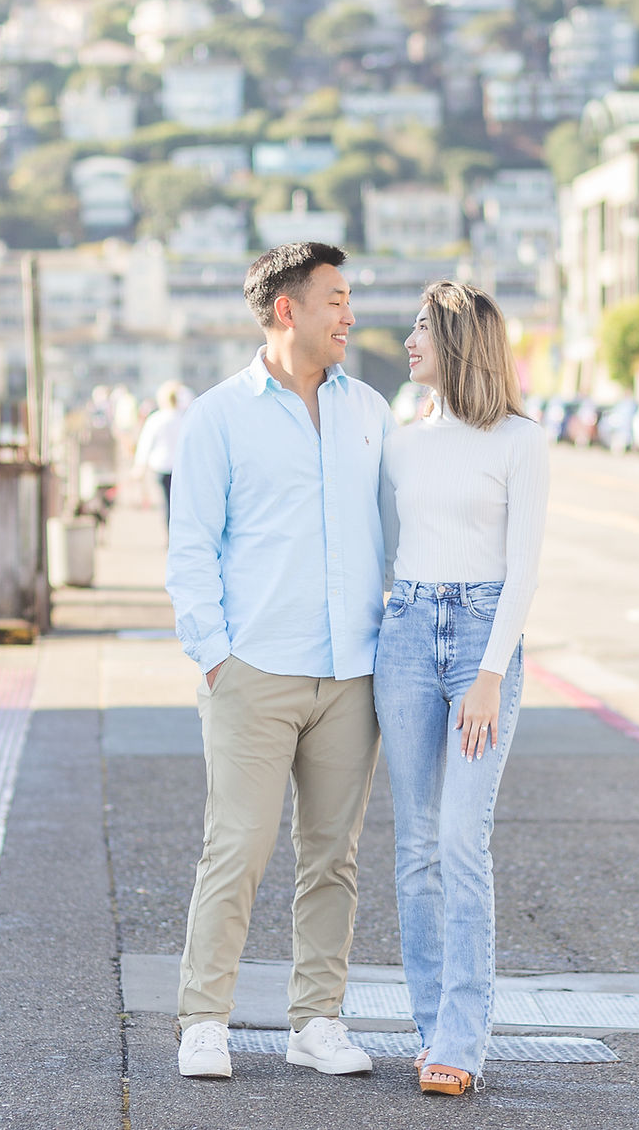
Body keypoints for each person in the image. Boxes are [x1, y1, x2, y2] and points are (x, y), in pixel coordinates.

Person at [166, 242, 393, 1082]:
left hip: (352, 673)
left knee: (334, 857)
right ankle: (204, 1019)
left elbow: (394, 531)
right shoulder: (218, 415)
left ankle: (317, 1022)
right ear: (286, 309)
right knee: (238, 848)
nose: (350, 315)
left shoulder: (369, 408)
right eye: (336, 299)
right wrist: (216, 657)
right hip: (253, 669)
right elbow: (190, 546)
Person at [375, 281, 550, 1096]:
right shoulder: (400, 443)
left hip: (483, 638)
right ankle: (431, 1029)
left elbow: (524, 571)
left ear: (458, 342)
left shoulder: (521, 440)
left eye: (421, 329)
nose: (408, 342)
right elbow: (383, 550)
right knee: (414, 846)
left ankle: (464, 1037)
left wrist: (489, 675)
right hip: (405, 630)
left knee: (457, 839)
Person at [132, 381, 186, 527]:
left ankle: (170, 533)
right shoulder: (185, 418)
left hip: (161, 467)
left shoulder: (156, 419)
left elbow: (145, 445)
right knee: (179, 504)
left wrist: (139, 467)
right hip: (181, 468)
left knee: (167, 502)